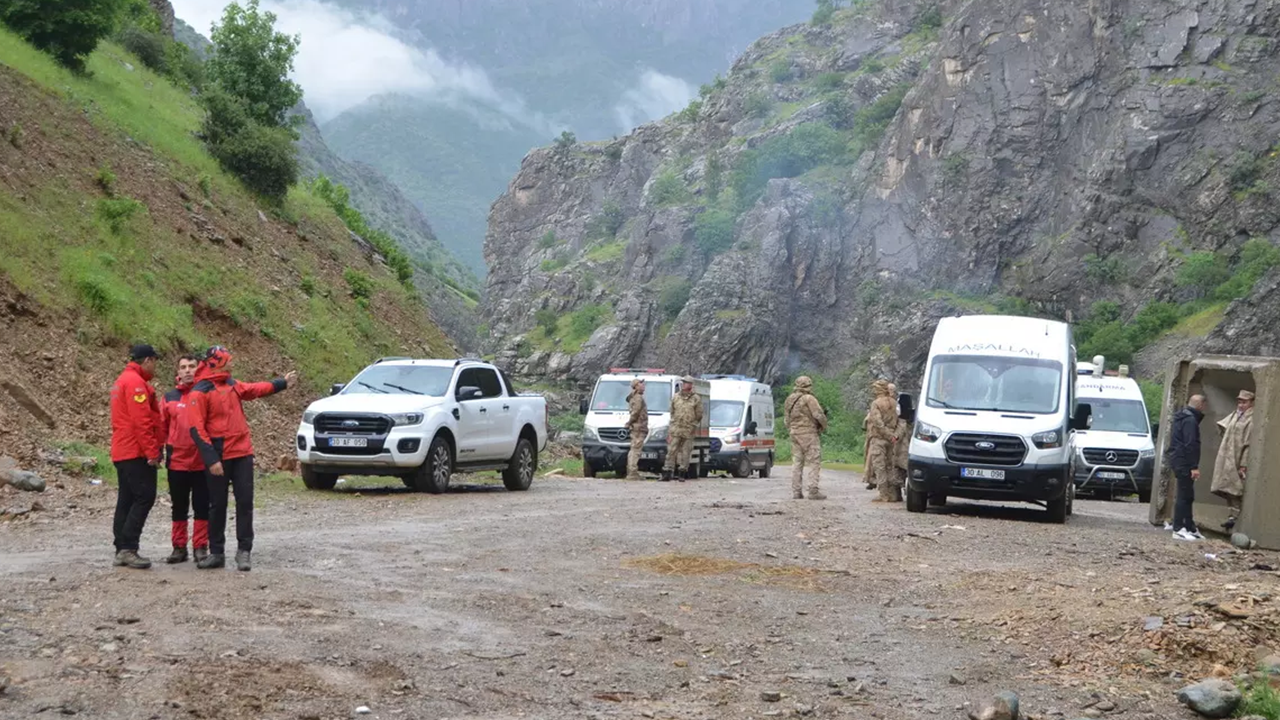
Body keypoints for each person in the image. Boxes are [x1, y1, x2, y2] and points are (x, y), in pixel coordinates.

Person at [187, 346, 296, 571]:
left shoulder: (231, 384)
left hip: (242, 453)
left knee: (245, 503)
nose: (233, 363)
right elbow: (197, 429)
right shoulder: (200, 391)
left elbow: (255, 389)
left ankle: (244, 551)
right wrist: (212, 460)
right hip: (219, 456)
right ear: (218, 363)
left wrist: (281, 383)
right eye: (229, 360)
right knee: (217, 505)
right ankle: (217, 552)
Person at [109, 344, 164, 570]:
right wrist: (152, 452)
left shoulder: (123, 380)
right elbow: (142, 422)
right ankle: (128, 548)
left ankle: (122, 546)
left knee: (127, 499)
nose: (155, 367)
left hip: (123, 450)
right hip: (135, 451)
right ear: (148, 360)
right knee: (144, 497)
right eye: (155, 362)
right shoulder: (136, 384)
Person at [159, 354, 209, 564]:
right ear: (177, 372)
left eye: (191, 366)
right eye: (183, 367)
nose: (188, 370)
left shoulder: (206, 394)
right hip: (177, 461)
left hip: (202, 461)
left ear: (198, 369)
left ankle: (200, 547)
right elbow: (161, 427)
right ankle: (179, 547)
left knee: (202, 505)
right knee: (178, 505)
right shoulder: (169, 397)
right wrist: (156, 451)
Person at [1211, 390, 1254, 531]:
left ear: (1251, 402)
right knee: (1225, 486)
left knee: (1235, 487)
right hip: (1227, 454)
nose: (1241, 405)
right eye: (1239, 402)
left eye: (1244, 402)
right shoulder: (1236, 414)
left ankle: (1236, 517)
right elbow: (1223, 426)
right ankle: (1231, 516)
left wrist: (1244, 464)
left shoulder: (1251, 418)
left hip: (1237, 457)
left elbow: (1248, 443)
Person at [1167, 394, 1207, 541]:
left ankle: (1190, 527)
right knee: (1184, 495)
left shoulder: (1182, 417)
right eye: (1204, 406)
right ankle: (1178, 528)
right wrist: (1194, 466)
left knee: (1188, 495)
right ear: (1200, 405)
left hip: (1179, 460)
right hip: (1184, 462)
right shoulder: (1190, 420)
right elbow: (1190, 444)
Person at [784, 376, 828, 500]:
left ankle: (796, 491)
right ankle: (813, 490)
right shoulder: (809, 398)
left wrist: (792, 428)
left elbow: (786, 420)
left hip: (794, 433)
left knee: (797, 462)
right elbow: (818, 414)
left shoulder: (789, 399)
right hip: (808, 433)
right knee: (814, 461)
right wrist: (824, 425)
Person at [866, 379, 900, 503]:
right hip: (892, 439)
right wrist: (894, 435)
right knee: (890, 466)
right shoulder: (895, 403)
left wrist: (887, 434)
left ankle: (883, 494)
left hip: (879, 438)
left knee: (879, 466)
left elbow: (877, 422)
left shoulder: (876, 403)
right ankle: (893, 494)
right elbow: (900, 421)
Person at [663, 376, 702, 482]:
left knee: (685, 452)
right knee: (671, 451)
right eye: (683, 382)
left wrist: (692, 425)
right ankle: (667, 472)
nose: (684, 384)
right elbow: (672, 411)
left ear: (691, 385)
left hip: (688, 430)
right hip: (676, 429)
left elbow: (699, 415)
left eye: (686, 383)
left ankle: (682, 473)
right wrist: (672, 425)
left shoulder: (696, 398)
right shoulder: (676, 397)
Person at [625, 378, 648, 481]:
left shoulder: (633, 397)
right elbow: (636, 412)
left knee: (633, 448)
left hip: (637, 426)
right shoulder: (638, 398)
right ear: (636, 386)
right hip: (639, 427)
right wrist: (629, 422)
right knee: (636, 449)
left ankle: (631, 470)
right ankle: (633, 472)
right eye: (641, 384)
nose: (643, 386)